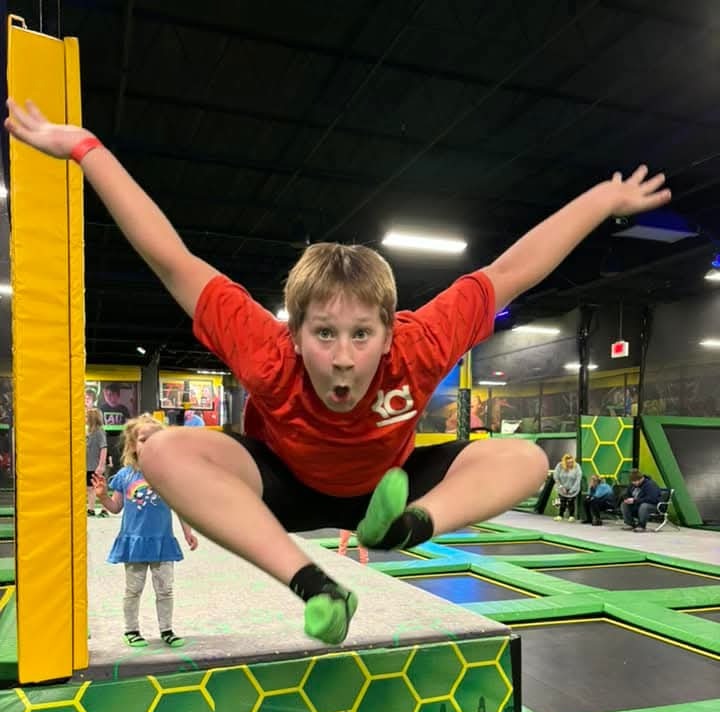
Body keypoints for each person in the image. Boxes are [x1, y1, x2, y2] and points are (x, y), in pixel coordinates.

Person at [5, 98, 671, 646]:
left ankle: (405, 529)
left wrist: (600, 200)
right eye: (324, 334)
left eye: (361, 335)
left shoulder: (420, 343)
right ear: (295, 335)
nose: (344, 356)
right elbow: (171, 258)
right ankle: (315, 586)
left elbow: (513, 269)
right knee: (163, 449)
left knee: (525, 457)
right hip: (283, 485)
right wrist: (88, 149)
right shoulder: (266, 351)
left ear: (389, 332)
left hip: (388, 489)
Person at [92, 414, 198, 647]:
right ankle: (131, 630)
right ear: (132, 445)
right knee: (133, 590)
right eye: (143, 440)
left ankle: (167, 629)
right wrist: (102, 496)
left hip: (162, 542)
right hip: (135, 543)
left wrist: (187, 532)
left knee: (165, 589)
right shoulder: (125, 476)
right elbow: (115, 507)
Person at [86, 407, 108, 517]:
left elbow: (103, 448)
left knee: (99, 488)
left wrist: (101, 465)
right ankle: (91, 509)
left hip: (96, 466)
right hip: (88, 465)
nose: (85, 418)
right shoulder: (89, 432)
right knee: (90, 488)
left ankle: (105, 510)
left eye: (87, 417)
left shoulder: (99, 432)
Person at [552, 453, 582, 522]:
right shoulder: (559, 466)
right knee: (562, 501)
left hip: (573, 488)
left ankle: (571, 516)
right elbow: (556, 477)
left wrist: (572, 490)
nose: (570, 464)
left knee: (571, 502)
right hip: (562, 488)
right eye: (568, 462)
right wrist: (561, 487)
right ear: (565, 462)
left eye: (571, 462)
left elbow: (578, 479)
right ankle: (560, 515)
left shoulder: (577, 466)